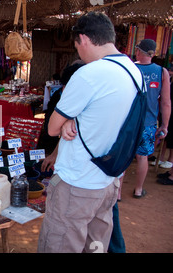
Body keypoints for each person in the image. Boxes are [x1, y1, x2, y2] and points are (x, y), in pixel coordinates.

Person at [37, 11, 144, 253]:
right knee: (95, 245)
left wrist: (64, 121)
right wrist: (70, 120)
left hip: (77, 183)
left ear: (83, 39)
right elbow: (103, 114)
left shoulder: (89, 74)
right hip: (108, 180)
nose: (80, 54)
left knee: (61, 243)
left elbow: (52, 128)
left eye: (77, 46)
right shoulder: (133, 70)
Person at [132, 39, 170, 198]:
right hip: (148, 123)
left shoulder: (130, 68)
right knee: (142, 157)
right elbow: (166, 102)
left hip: (128, 122)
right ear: (153, 54)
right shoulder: (162, 72)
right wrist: (164, 125)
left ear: (138, 51)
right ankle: (138, 190)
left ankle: (118, 192)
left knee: (124, 154)